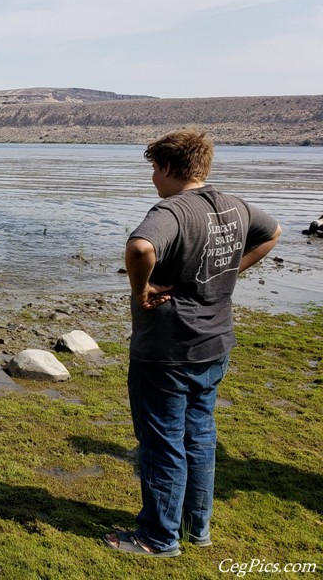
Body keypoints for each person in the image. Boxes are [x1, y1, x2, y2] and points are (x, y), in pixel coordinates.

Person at [104, 129, 281, 557]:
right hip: (215, 343)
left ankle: (158, 538)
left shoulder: (172, 210)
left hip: (166, 351)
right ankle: (196, 530)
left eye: (153, 169)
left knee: (162, 443)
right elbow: (273, 232)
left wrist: (141, 290)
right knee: (199, 438)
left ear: (166, 167)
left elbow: (141, 247)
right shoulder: (234, 206)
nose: (152, 178)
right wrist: (232, 271)